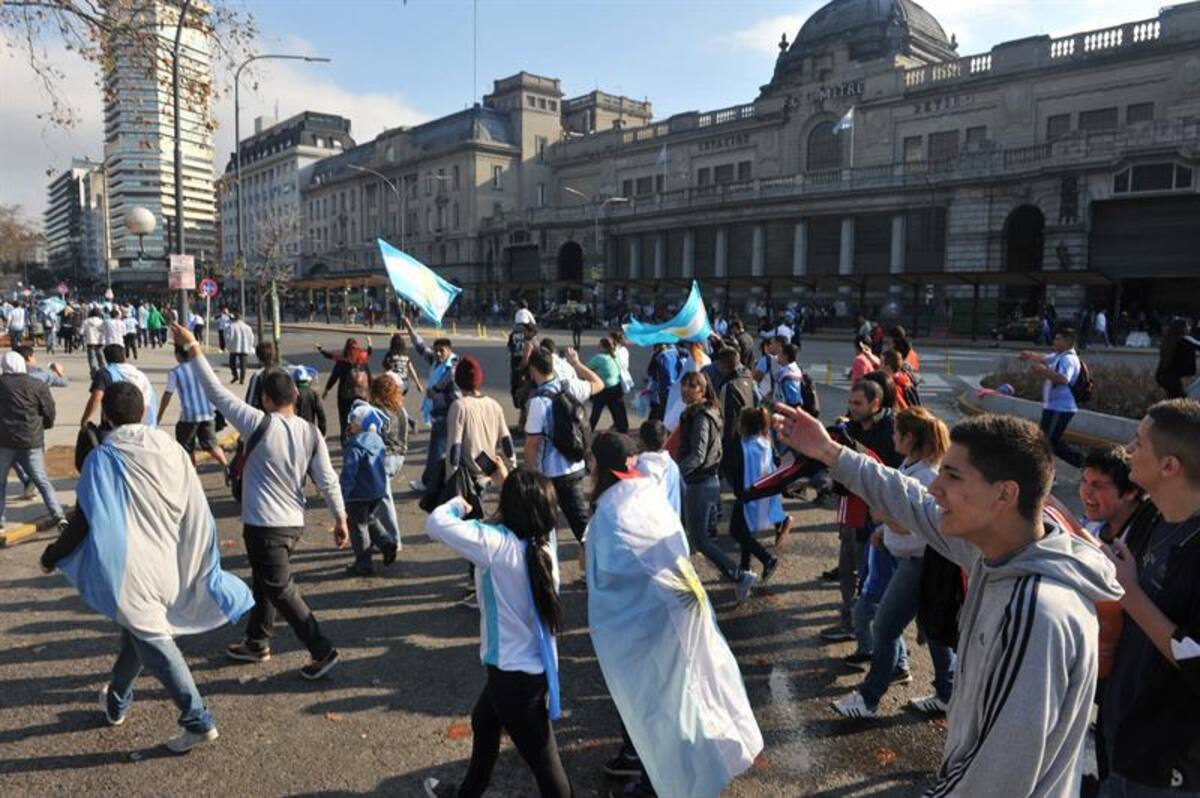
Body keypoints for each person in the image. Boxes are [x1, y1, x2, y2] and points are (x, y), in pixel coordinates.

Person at [774, 405, 1123, 796]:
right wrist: (830, 452)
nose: (936, 488)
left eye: (952, 476)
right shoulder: (1000, 549)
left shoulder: (1035, 612)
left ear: (1005, 494)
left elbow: (997, 776)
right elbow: (911, 500)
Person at [39, 382, 253, 754]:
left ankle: (197, 719)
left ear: (107, 416)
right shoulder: (171, 448)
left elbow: (83, 521)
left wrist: (52, 555)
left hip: (130, 570)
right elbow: (196, 508)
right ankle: (117, 702)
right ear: (144, 411)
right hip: (170, 561)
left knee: (152, 638)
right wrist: (200, 559)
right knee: (137, 634)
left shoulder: (102, 459)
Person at [586, 431, 762, 798]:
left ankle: (669, 785)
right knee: (696, 693)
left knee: (661, 706)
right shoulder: (644, 489)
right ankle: (680, 775)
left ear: (600, 466)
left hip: (654, 620)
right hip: (684, 604)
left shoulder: (611, 511)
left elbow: (610, 575)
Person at [171, 323, 348, 680]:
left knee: (280, 587)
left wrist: (192, 346)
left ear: (266, 399)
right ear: (296, 398)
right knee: (266, 581)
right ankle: (256, 641)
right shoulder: (311, 432)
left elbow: (215, 391)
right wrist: (340, 516)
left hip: (266, 524)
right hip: (291, 523)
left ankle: (321, 649)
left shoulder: (256, 422)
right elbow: (327, 478)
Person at [423, 469, 571, 798]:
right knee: (484, 722)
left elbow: (435, 522)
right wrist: (506, 480)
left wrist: (459, 504)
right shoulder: (544, 547)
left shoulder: (494, 544)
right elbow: (528, 504)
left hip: (512, 678)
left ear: (509, 507)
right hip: (528, 671)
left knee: (549, 771)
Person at [1100, 399, 1200, 795]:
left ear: (1170, 465)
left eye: (1138, 443)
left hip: (1168, 767)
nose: (1127, 450)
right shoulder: (1151, 515)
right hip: (1121, 739)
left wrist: (1131, 595)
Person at [832, 406, 956, 719]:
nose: (892, 436)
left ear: (911, 437)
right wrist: (883, 531)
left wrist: (885, 517)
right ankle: (947, 693)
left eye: (897, 432)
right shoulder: (912, 464)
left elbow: (918, 523)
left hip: (920, 562)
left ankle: (870, 698)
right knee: (933, 630)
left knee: (885, 627)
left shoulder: (927, 474)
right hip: (910, 560)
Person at [821, 379, 901, 642]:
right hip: (853, 509)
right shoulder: (850, 427)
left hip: (880, 515)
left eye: (858, 403)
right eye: (850, 402)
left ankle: (877, 637)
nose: (852, 408)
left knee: (874, 577)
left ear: (875, 403)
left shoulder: (892, 430)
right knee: (848, 569)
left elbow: (892, 473)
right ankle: (851, 623)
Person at [675, 371, 757, 602]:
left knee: (700, 539)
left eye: (692, 386)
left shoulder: (701, 416)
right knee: (692, 536)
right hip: (704, 481)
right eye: (684, 385)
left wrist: (675, 473)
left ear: (702, 390)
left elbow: (698, 455)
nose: (686, 390)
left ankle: (739, 575)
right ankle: (684, 580)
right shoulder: (700, 412)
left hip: (700, 482)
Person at [523, 346, 603, 558]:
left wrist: (530, 474)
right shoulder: (571, 386)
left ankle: (548, 568)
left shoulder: (538, 401)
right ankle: (596, 570)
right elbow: (599, 383)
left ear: (533, 369)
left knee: (546, 527)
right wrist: (577, 364)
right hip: (576, 466)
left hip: (549, 474)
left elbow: (532, 443)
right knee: (582, 527)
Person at [0, 351, 66, 531]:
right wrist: (45, 425)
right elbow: (49, 409)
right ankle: (58, 515)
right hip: (31, 440)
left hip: (4, 441)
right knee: (42, 480)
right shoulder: (37, 384)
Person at [726, 407, 789, 582]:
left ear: (744, 425)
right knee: (745, 531)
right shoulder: (766, 442)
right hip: (761, 492)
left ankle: (767, 558)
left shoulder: (742, 446)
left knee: (736, 531)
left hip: (745, 495)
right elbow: (776, 461)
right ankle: (745, 567)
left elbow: (733, 468)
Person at [340, 402, 397, 576]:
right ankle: (387, 543)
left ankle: (364, 563)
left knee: (358, 527)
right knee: (370, 519)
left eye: (353, 422)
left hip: (358, 493)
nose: (350, 424)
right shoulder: (377, 440)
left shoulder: (355, 445)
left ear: (361, 425)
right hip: (377, 490)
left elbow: (349, 471)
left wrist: (343, 494)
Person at [402, 317, 459, 492]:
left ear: (449, 350)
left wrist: (434, 395)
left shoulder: (453, 368)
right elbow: (420, 348)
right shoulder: (436, 361)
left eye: (441, 351)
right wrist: (410, 327)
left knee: (436, 451)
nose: (438, 354)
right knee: (449, 450)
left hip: (447, 414)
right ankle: (450, 482)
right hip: (440, 413)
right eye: (436, 351)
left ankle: (427, 482)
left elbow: (455, 396)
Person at [1020, 327, 1084, 467]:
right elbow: (1044, 358)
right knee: (1048, 441)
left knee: (1047, 442)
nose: (1054, 341)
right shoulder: (1059, 356)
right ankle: (1081, 463)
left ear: (1067, 342)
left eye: (1057, 338)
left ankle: (1081, 463)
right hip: (1052, 406)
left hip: (1061, 408)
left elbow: (1063, 379)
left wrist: (1043, 371)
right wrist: (1029, 355)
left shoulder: (1069, 359)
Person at [158, 344, 228, 468]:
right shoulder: (201, 368)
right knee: (212, 445)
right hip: (208, 413)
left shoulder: (176, 372)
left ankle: (192, 474)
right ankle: (225, 465)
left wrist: (160, 415)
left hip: (189, 416)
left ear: (178, 355)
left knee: (186, 447)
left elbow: (167, 395)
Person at [80, 344, 157, 429]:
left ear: (106, 359)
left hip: (117, 427)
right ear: (124, 357)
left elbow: (96, 398)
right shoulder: (140, 375)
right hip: (146, 425)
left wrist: (84, 420)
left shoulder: (105, 373)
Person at [1079, 445, 1142, 544]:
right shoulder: (1090, 525)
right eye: (1084, 480)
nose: (1086, 492)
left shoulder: (1142, 544)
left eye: (1098, 486)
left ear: (1129, 492)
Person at [318, 337, 373, 442]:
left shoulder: (342, 362)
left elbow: (334, 377)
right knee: (361, 419)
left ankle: (344, 440)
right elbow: (369, 377)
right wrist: (371, 392)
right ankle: (361, 440)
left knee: (344, 420)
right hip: (362, 396)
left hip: (345, 396)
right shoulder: (363, 361)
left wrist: (327, 390)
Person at [634, 419, 680, 517]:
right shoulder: (672, 466)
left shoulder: (638, 467)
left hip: (647, 526)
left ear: (641, 441)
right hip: (670, 524)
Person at [587, 337, 629, 433]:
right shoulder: (615, 355)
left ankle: (589, 431)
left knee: (596, 412)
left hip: (603, 389)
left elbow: (586, 368)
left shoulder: (599, 358)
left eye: (599, 345)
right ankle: (623, 431)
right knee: (617, 412)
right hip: (616, 387)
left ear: (604, 347)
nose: (597, 346)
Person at [1154, 317, 1200, 399]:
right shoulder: (1185, 339)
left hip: (1162, 376)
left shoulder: (1169, 340)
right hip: (1172, 378)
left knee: (1174, 398)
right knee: (1182, 400)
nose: (1189, 328)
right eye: (1187, 326)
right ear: (1183, 328)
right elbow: (1198, 345)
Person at [382, 332, 422, 397]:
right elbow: (412, 371)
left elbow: (385, 370)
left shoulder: (390, 355)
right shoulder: (406, 356)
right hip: (405, 383)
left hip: (394, 383)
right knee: (398, 400)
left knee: (392, 402)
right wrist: (418, 384)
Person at [224, 311, 254, 384]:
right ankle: (242, 379)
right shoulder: (247, 327)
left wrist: (228, 346)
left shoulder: (231, 327)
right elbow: (251, 337)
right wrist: (250, 346)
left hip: (234, 347)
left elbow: (227, 337)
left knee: (232, 363)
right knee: (243, 364)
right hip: (245, 347)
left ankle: (235, 376)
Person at [83, 307, 105, 372]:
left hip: (90, 341)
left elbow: (81, 331)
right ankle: (103, 371)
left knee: (92, 358)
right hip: (100, 341)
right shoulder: (102, 321)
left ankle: (93, 372)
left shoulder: (86, 321)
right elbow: (104, 331)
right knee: (101, 357)